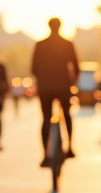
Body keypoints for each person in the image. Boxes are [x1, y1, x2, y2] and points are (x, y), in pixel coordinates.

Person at [32, 17, 80, 159]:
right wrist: (71, 82)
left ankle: (45, 156)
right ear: (60, 27)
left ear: (48, 27)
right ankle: (70, 148)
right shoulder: (67, 44)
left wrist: (42, 78)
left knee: (46, 119)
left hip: (45, 87)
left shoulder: (40, 44)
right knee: (66, 115)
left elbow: (33, 68)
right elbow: (76, 67)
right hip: (63, 87)